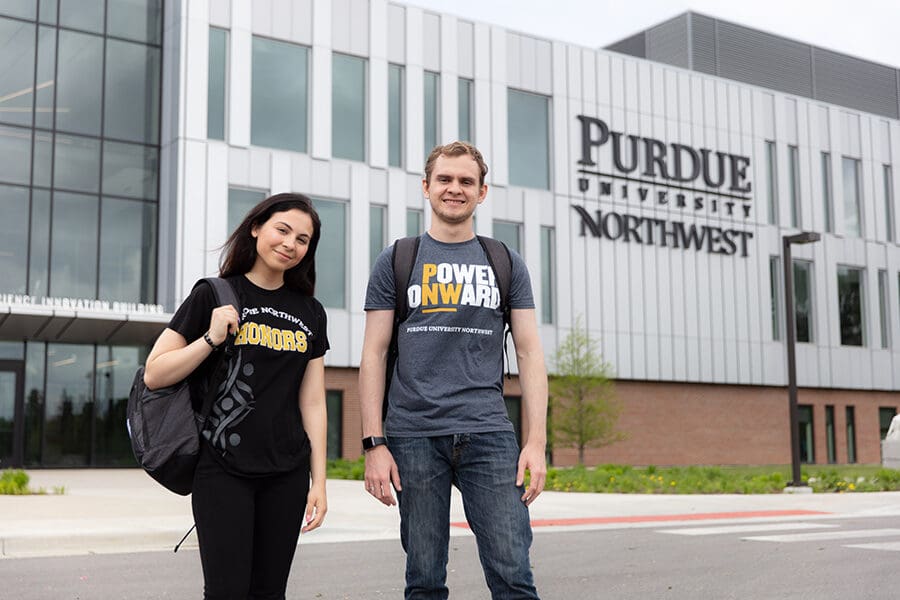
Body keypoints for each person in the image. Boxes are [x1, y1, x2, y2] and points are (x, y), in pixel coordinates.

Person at [359, 142, 548, 599]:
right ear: (426, 187)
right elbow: (374, 354)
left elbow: (529, 352)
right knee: (424, 578)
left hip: (488, 433)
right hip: (414, 435)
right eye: (445, 179)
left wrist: (537, 442)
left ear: (482, 193)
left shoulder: (505, 261)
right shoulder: (398, 259)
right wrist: (373, 444)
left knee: (513, 575)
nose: (455, 189)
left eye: (466, 181)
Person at [143, 193, 329, 599]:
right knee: (227, 591)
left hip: (287, 472)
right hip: (223, 468)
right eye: (282, 230)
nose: (290, 244)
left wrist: (320, 480)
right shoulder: (214, 294)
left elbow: (312, 401)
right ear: (256, 227)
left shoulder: (311, 312)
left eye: (302, 239)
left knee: (270, 591)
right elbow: (155, 374)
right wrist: (209, 338)